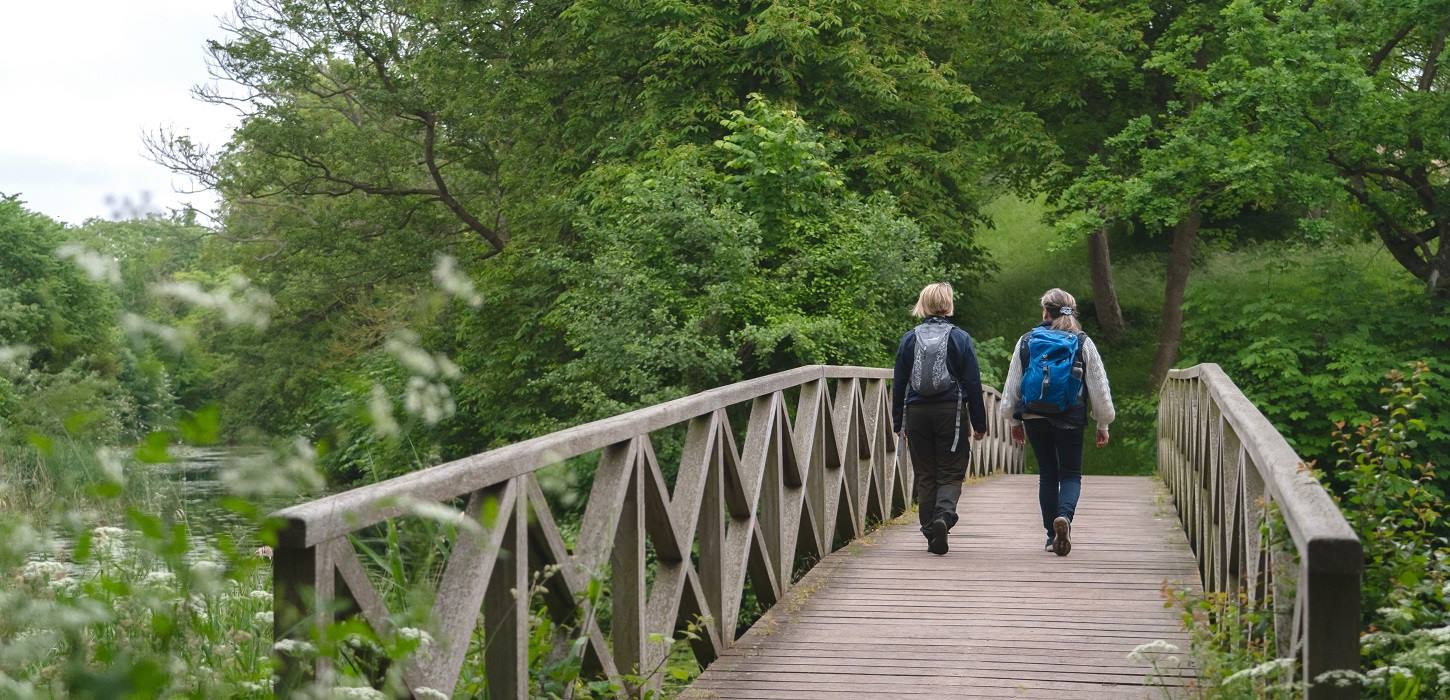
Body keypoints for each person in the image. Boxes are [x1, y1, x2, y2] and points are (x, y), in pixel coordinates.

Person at [1001, 288, 1115, 556]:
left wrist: (1012, 420)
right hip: (1070, 417)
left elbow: (1012, 386)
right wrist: (1103, 423)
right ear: (1071, 311)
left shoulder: (1027, 340)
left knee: (1048, 474)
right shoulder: (1082, 342)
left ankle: (1052, 535)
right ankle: (1064, 517)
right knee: (1071, 474)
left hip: (1034, 416)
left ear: (1044, 311)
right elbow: (1099, 387)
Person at [892, 282, 988, 555]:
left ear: (923, 304)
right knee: (950, 471)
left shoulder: (909, 338)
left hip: (917, 413)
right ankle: (943, 518)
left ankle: (929, 532)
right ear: (948, 304)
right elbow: (972, 383)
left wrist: (897, 420)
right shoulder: (960, 338)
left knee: (925, 474)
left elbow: (899, 382)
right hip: (951, 413)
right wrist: (979, 423)